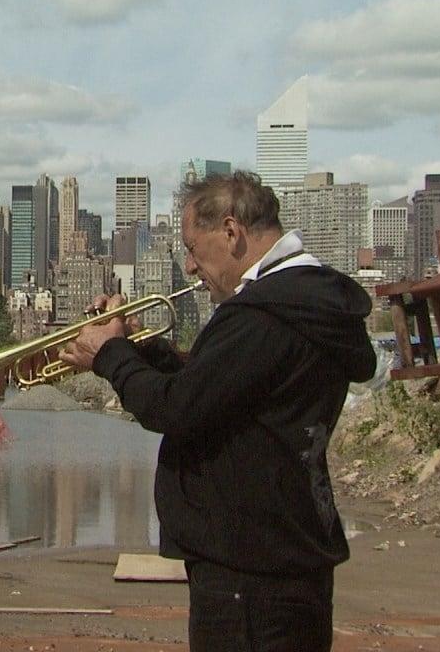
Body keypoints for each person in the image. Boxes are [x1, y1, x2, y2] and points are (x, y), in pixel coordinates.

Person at [58, 171, 376, 651]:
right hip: (284, 556)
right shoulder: (302, 305)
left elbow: (173, 409)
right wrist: (139, 349)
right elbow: (218, 390)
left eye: (191, 247)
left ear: (231, 232)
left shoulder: (262, 315)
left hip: (247, 571)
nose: (188, 267)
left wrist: (111, 356)